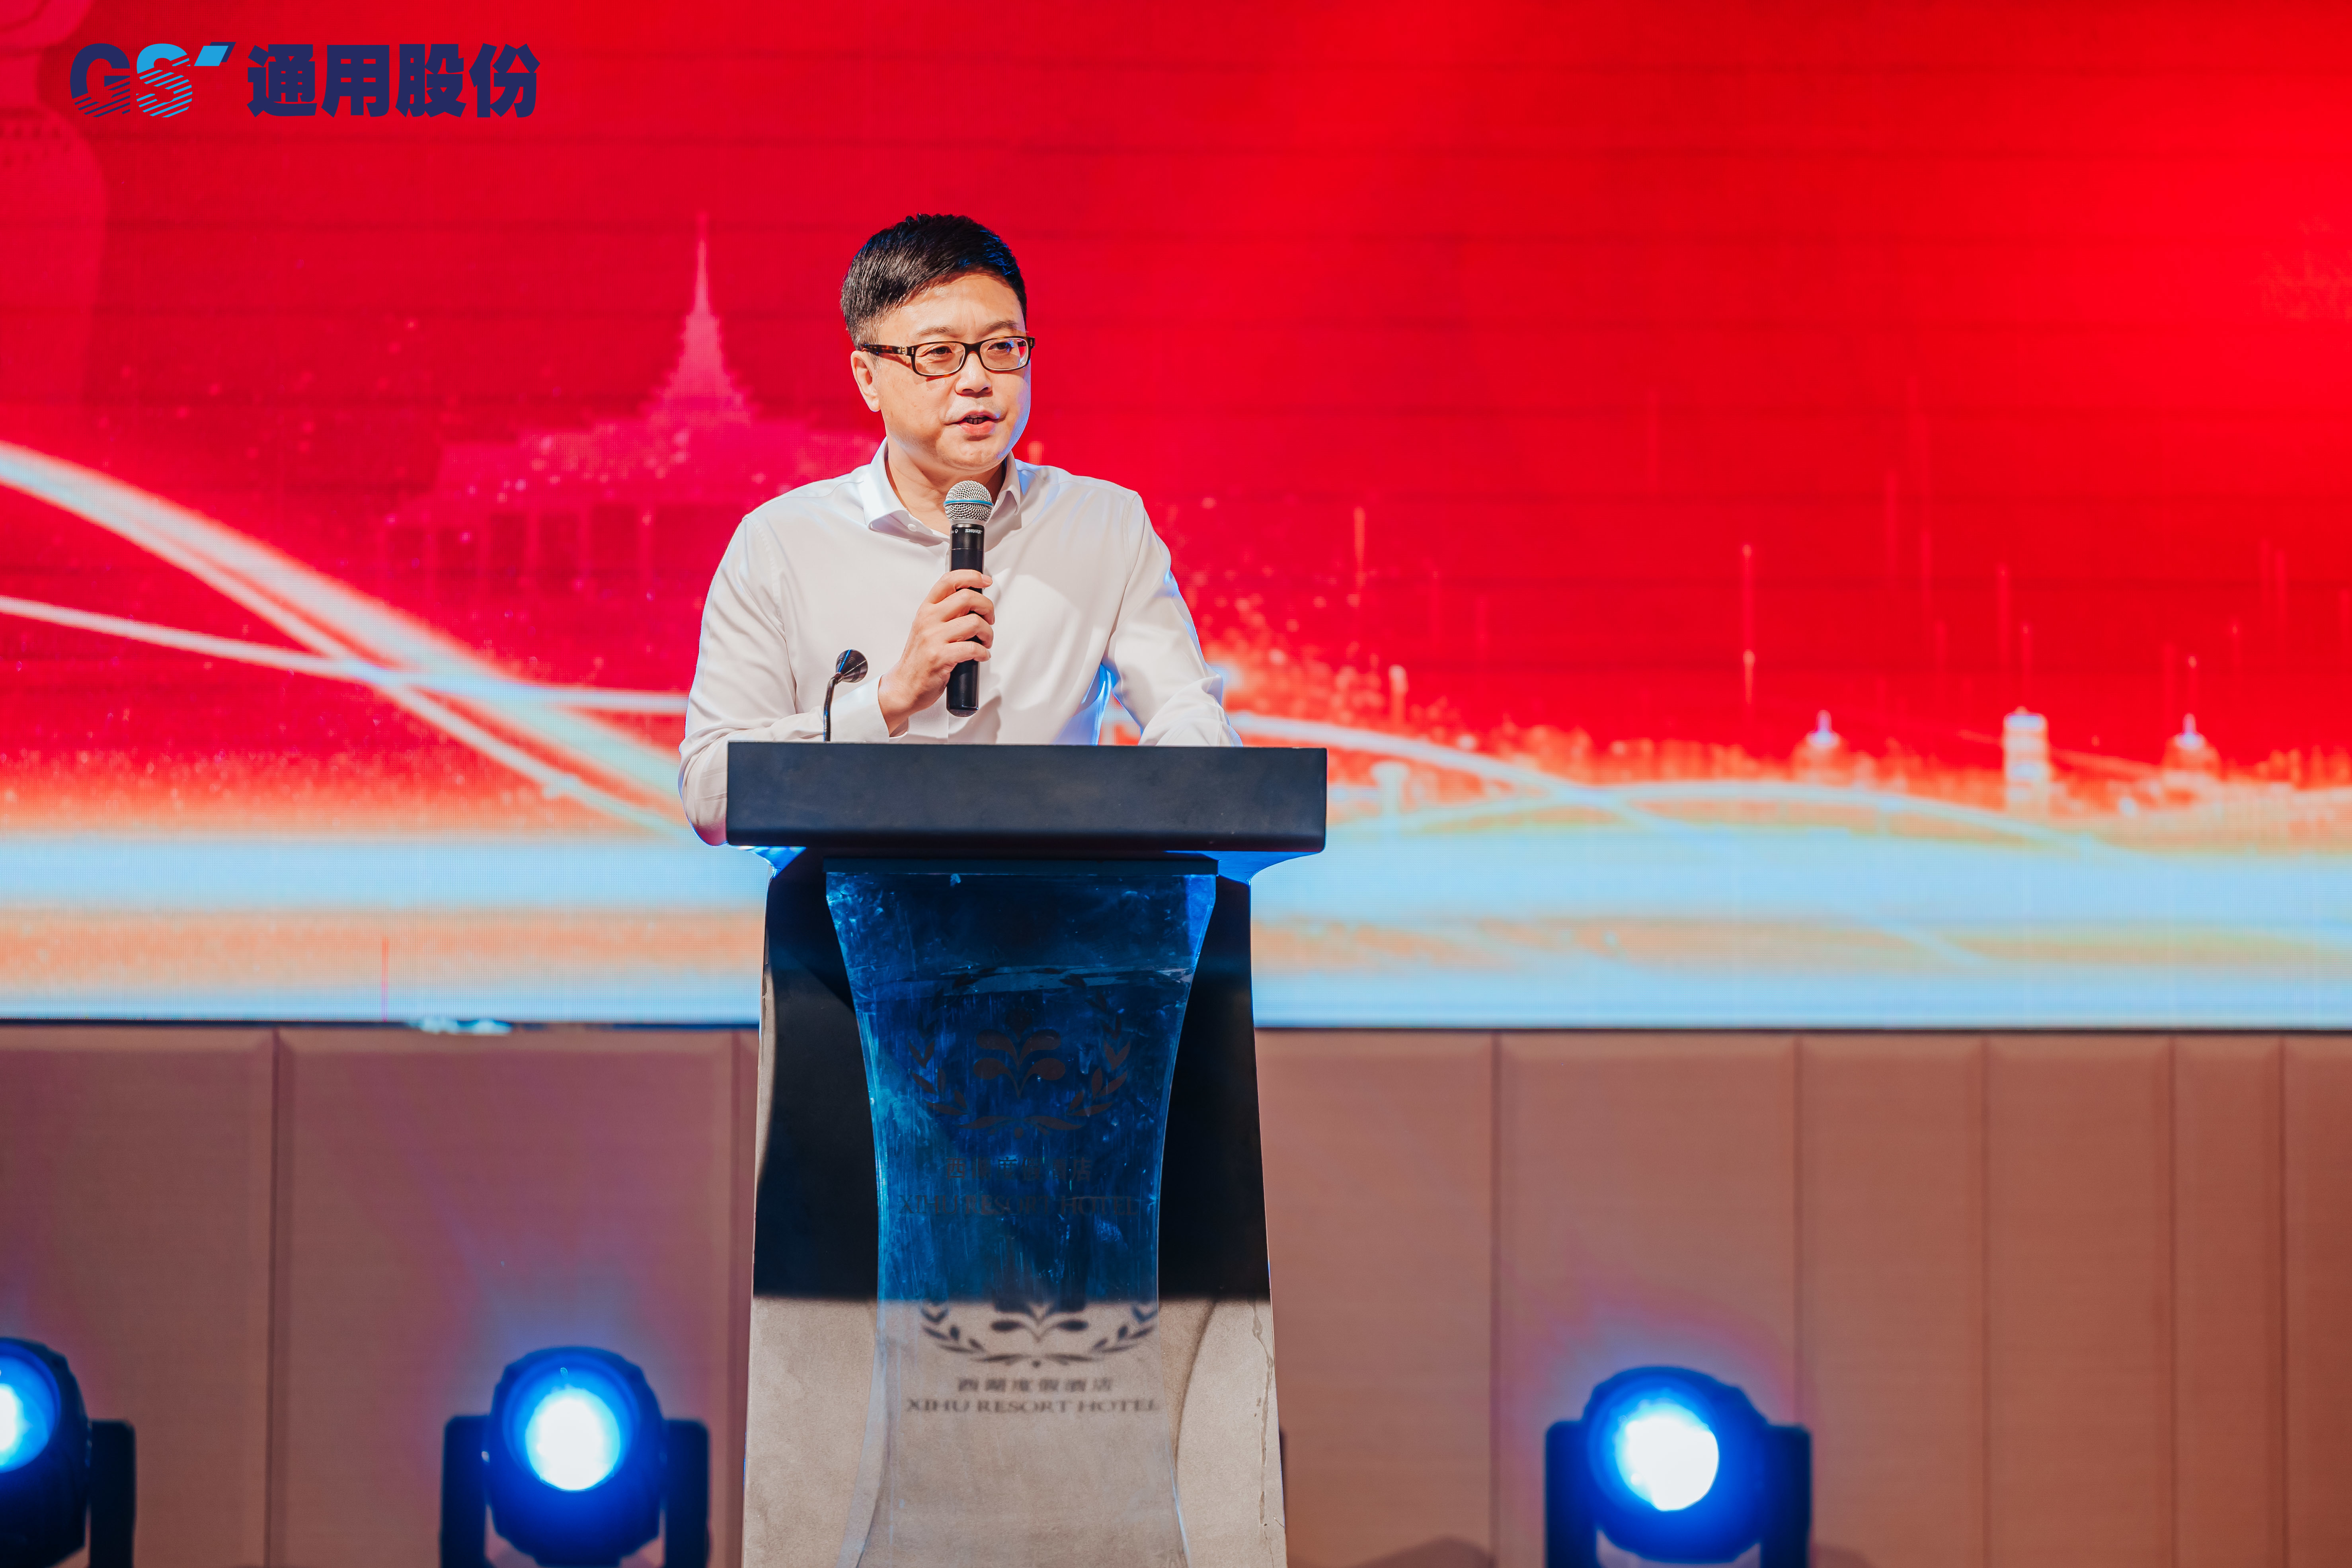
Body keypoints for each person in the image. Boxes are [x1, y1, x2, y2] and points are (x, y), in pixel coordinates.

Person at [677, 213, 1238, 844]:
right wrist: (888, 700)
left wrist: (1202, 784)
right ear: (868, 378)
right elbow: (710, 796)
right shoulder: (780, 543)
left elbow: (1185, 713)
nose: (977, 380)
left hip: (1056, 896)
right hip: (839, 897)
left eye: (1002, 348)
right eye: (938, 354)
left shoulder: (1105, 524)